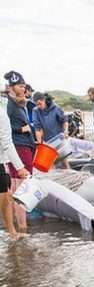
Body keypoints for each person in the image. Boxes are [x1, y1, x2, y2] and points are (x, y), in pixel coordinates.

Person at [4, 71, 36, 233]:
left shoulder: (18, 103)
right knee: (21, 188)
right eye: (21, 86)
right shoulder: (8, 105)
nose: (24, 89)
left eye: (24, 86)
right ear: (11, 87)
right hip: (19, 147)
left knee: (19, 187)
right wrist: (21, 129)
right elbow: (4, 129)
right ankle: (22, 228)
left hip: (25, 147)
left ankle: (19, 226)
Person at [1, 86, 29, 239]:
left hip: (2, 160)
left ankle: (12, 232)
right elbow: (7, 142)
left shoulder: (7, 110)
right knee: (6, 196)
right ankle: (12, 232)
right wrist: (20, 168)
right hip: (2, 160)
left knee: (6, 194)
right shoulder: (3, 113)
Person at [32, 92, 69, 168]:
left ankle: (70, 175)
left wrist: (65, 131)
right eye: (36, 104)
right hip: (47, 142)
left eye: (40, 104)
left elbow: (65, 120)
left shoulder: (55, 108)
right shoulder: (35, 111)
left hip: (59, 139)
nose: (38, 106)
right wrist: (40, 144)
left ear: (44, 100)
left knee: (64, 161)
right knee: (49, 164)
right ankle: (52, 178)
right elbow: (37, 128)